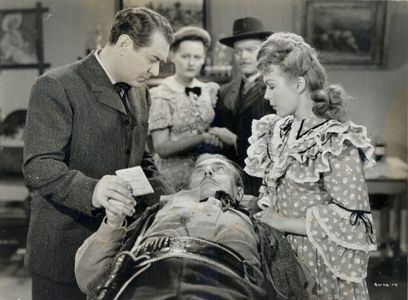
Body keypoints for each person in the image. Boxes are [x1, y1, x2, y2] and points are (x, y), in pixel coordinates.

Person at [23, 8, 173, 300]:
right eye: (153, 59)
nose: (155, 72)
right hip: (62, 251)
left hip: (119, 251)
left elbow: (141, 158)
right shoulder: (56, 86)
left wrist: (166, 198)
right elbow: (38, 165)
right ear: (126, 44)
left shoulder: (140, 92)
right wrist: (93, 190)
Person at [245, 32, 377, 299]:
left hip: (320, 266)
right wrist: (260, 205)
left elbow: (357, 222)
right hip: (280, 259)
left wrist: (283, 222)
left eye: (271, 86)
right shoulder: (277, 130)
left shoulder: (335, 141)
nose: (267, 96)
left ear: (299, 84)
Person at [75, 154, 310, 300]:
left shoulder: (259, 225)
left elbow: (291, 288)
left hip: (227, 282)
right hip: (149, 276)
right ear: (185, 187)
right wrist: (113, 224)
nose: (207, 171)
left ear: (239, 192)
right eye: (200, 170)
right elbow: (88, 278)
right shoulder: (155, 214)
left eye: (219, 169)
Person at [149, 26, 221, 191]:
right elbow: (162, 148)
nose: (191, 62)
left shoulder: (209, 90)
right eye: (185, 56)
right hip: (172, 177)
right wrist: (202, 138)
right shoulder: (161, 94)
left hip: (206, 173)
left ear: (204, 59)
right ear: (173, 56)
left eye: (197, 57)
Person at [209, 17, 275, 196]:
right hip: (229, 181)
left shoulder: (274, 89)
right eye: (238, 51)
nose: (243, 56)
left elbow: (277, 143)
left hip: (263, 183)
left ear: (264, 51)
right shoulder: (225, 91)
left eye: (251, 50)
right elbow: (215, 130)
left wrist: (235, 140)